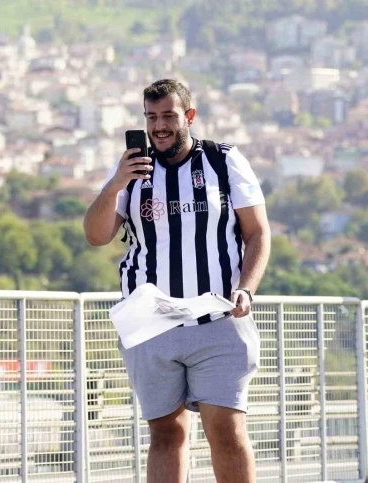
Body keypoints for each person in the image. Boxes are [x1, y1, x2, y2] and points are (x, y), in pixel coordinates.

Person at [83, 79, 270, 483]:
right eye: (151, 117)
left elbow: (257, 232)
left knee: (226, 429)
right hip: (150, 323)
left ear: (189, 116)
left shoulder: (223, 160)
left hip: (218, 318)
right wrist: (116, 183)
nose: (159, 126)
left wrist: (247, 288)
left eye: (168, 115)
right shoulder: (130, 169)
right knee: (167, 433)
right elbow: (96, 235)